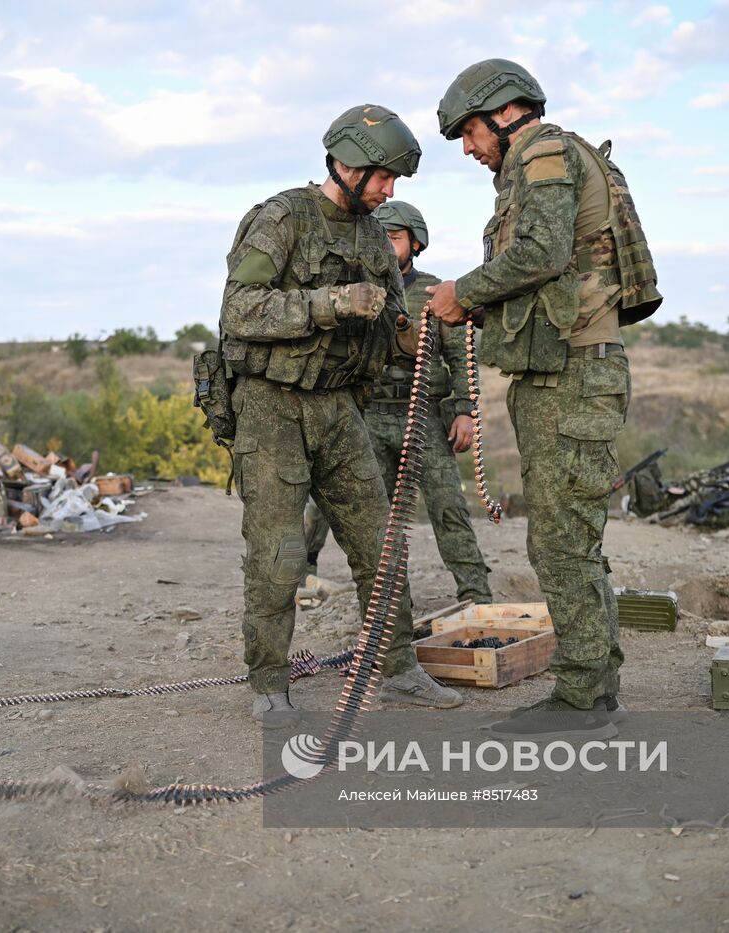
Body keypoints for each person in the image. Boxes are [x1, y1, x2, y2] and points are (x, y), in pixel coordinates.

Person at [423, 61, 661, 735]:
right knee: (569, 539)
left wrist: (461, 292)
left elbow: (543, 250)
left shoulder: (545, 151)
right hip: (561, 373)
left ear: (502, 113)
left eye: (469, 133)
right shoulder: (538, 157)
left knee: (560, 541)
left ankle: (584, 699)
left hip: (573, 374)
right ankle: (594, 685)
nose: (468, 149)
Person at [220, 105, 463, 725]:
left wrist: (417, 331)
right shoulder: (281, 218)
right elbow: (241, 311)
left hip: (337, 407)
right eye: (382, 178)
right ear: (347, 162)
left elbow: (388, 325)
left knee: (380, 543)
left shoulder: (374, 235)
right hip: (272, 406)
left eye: (394, 182)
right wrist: (331, 303)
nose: (388, 192)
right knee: (277, 551)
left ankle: (400, 667)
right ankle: (270, 682)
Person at [302, 200, 493, 605]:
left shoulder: (434, 293)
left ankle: (476, 595)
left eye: (395, 238)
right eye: (381, 238)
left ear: (416, 242)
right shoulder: (357, 292)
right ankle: (379, 600)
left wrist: (465, 411)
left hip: (421, 416)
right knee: (369, 517)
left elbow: (461, 356)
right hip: (368, 415)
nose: (387, 247)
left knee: (448, 507)